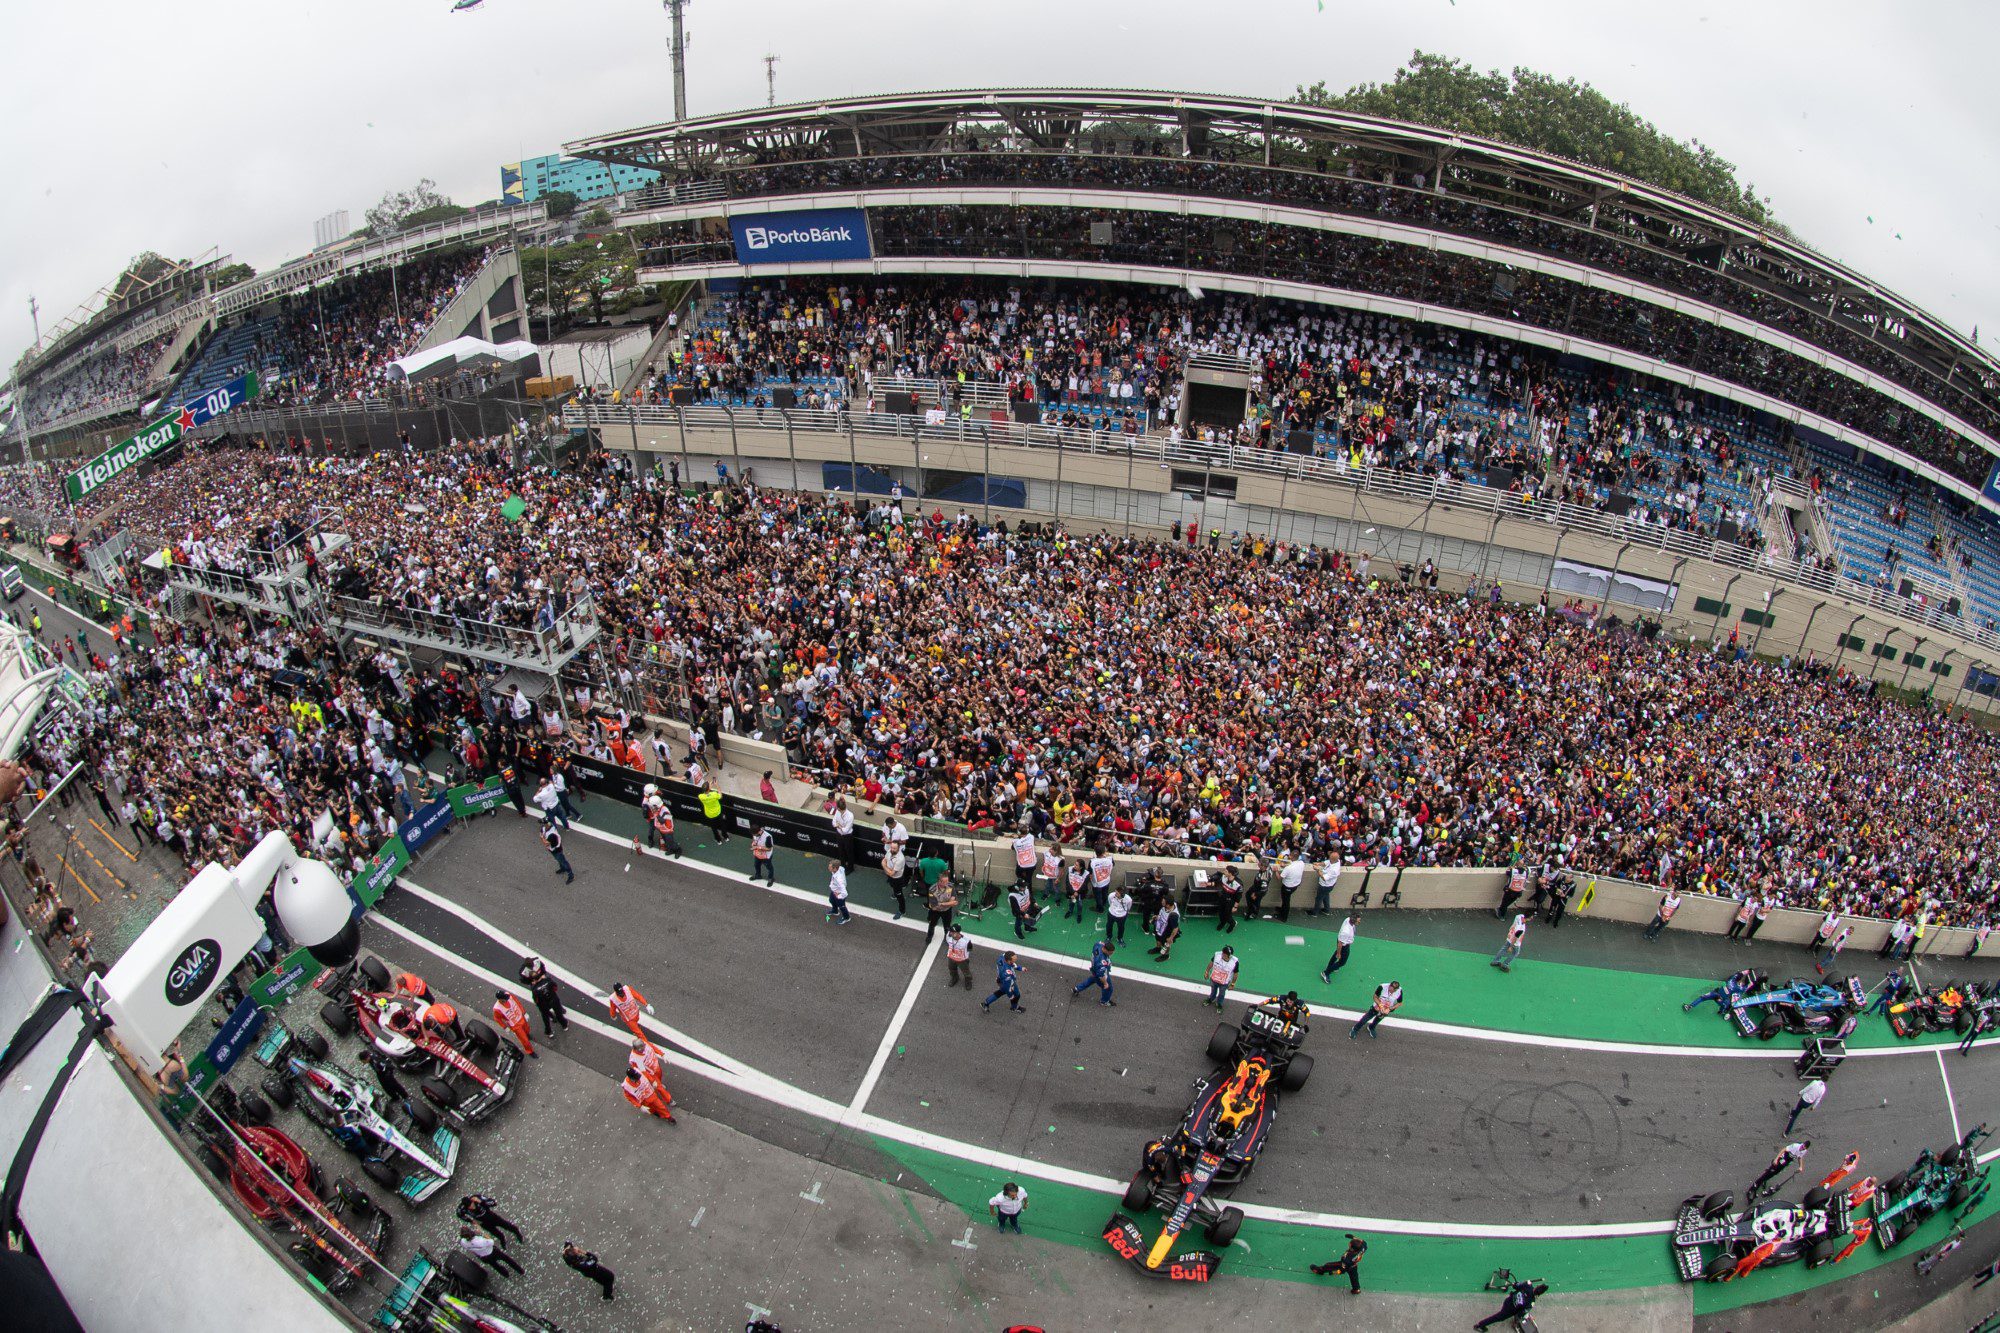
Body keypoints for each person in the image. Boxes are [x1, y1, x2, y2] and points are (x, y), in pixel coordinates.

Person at [520, 957, 570, 1036]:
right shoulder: (524, 971)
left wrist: (541, 977)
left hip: (540, 985)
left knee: (546, 1011)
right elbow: (554, 987)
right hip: (540, 985)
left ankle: (550, 1027)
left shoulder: (537, 962)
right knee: (553, 1002)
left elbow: (536, 1000)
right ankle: (557, 1018)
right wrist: (532, 981)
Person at [1474, 1278, 1548, 1330]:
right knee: (1497, 1317)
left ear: (1537, 1286)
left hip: (1508, 1301)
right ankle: (1480, 1325)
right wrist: (1521, 1318)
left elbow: (1515, 1286)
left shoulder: (1528, 1285)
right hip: (1509, 1311)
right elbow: (1521, 1314)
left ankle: (1480, 1325)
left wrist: (1519, 1284)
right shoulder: (1531, 1302)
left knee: (1498, 1316)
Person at [457, 1193, 524, 1244]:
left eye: (472, 1205)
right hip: (484, 1223)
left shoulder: (477, 1198)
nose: (472, 1207)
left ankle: (517, 1233)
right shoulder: (462, 1209)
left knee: (508, 1226)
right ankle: (502, 1240)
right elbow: (459, 1215)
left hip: (492, 1217)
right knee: (497, 1234)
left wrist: (481, 1202)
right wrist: (470, 1220)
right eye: (470, 1207)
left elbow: (493, 1203)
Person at [459, 1226, 523, 1277]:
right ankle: (520, 1270)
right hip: (492, 1252)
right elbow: (491, 1242)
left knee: (495, 1266)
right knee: (507, 1259)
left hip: (483, 1256)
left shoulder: (463, 1242)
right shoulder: (479, 1240)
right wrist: (482, 1233)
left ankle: (505, 1274)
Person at [491, 991, 537, 1058]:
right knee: (524, 1040)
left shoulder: (509, 996)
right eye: (504, 999)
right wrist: (505, 1027)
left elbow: (517, 1003)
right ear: (500, 999)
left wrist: (524, 1012)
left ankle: (527, 1034)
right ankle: (530, 1051)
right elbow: (497, 1019)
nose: (506, 999)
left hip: (521, 1017)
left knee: (527, 1029)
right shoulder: (497, 1009)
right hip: (515, 1025)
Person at [1071, 940, 1116, 1005]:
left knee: (1092, 979)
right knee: (1109, 989)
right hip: (1100, 972)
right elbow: (1101, 976)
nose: (1111, 954)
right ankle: (1104, 1002)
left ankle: (1077, 989)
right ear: (1106, 950)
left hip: (1094, 969)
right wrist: (1105, 983)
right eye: (1110, 953)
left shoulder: (1098, 944)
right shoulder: (1102, 962)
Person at [924, 870, 959, 942]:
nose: (947, 883)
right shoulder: (932, 889)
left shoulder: (951, 886)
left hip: (947, 911)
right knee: (932, 924)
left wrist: (942, 904)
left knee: (947, 926)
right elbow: (934, 906)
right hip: (936, 911)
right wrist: (949, 903)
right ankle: (929, 936)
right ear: (939, 882)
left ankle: (947, 937)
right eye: (945, 882)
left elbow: (955, 902)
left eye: (947, 881)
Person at [1322, 914, 1359, 981]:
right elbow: (1340, 944)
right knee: (1342, 962)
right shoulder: (1346, 932)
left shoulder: (1348, 919)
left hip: (1342, 940)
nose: (1359, 922)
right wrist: (1339, 953)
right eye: (1358, 921)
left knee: (1336, 954)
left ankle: (1330, 966)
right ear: (1353, 921)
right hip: (1344, 945)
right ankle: (1326, 973)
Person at [880, 837, 907, 916]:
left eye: (894, 848)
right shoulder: (889, 851)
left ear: (899, 848)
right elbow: (884, 860)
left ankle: (902, 911)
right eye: (891, 847)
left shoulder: (900, 859)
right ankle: (896, 893)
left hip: (897, 879)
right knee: (892, 886)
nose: (892, 849)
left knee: (899, 895)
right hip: (891, 877)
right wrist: (886, 868)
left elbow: (892, 873)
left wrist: (884, 867)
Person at [1205, 946, 1239, 1011]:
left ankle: (1219, 1003)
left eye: (1226, 955)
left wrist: (1232, 984)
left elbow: (1236, 973)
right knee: (1213, 990)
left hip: (1224, 983)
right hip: (1214, 979)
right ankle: (1211, 999)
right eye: (1224, 954)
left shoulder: (1235, 962)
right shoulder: (1217, 955)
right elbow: (1211, 963)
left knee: (1222, 993)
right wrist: (1207, 972)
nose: (1223, 956)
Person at [542, 819, 574, 884]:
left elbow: (546, 843)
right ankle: (562, 868)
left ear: (548, 824)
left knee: (563, 861)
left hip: (556, 850)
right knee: (559, 860)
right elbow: (542, 831)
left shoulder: (552, 835)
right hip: (552, 849)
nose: (543, 825)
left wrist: (542, 837)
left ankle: (570, 875)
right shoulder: (548, 827)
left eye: (544, 824)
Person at [943, 925, 974, 989]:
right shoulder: (948, 936)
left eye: (952, 932)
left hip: (962, 960)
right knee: (951, 969)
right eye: (950, 931)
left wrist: (965, 956)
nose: (950, 932)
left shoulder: (966, 941)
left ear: (957, 933)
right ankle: (955, 978)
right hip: (951, 957)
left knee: (966, 971)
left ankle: (968, 980)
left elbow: (970, 948)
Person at [1278, 854, 1305, 923]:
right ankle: (1282, 909)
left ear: (1291, 857)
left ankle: (1284, 917)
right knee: (1285, 901)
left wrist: (1275, 871)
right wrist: (1285, 865)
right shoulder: (1301, 863)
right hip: (1295, 885)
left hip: (1287, 887)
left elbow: (1279, 878)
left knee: (1286, 902)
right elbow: (1293, 865)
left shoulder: (1288, 868)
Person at [826, 860, 852, 924]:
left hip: (839, 893)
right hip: (834, 890)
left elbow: (845, 893)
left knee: (842, 906)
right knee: (831, 900)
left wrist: (839, 896)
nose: (828, 868)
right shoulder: (839, 868)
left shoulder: (839, 879)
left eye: (830, 867)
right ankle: (835, 911)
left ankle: (846, 918)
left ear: (835, 868)